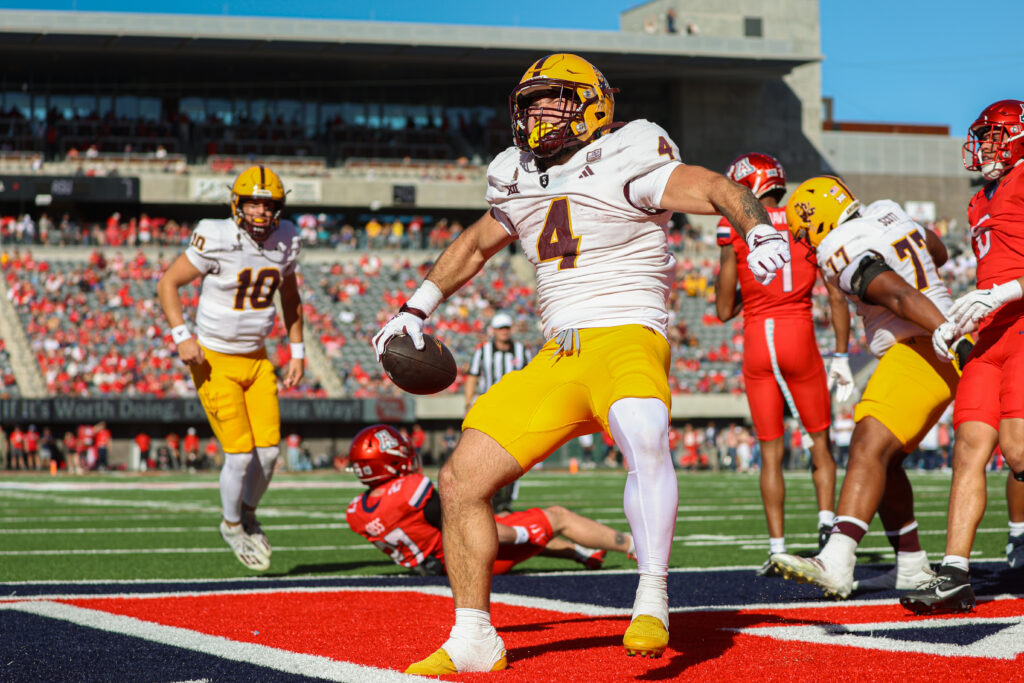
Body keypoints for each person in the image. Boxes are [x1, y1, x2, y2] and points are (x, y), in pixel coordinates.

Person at [371, 53, 790, 673]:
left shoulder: (628, 153)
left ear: (591, 104)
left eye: (551, 100)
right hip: (557, 353)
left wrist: (757, 229)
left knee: (645, 435)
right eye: (529, 102)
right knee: (462, 481)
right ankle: (473, 636)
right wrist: (416, 307)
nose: (536, 112)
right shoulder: (516, 175)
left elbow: (714, 187)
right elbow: (477, 242)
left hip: (626, 335)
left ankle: (651, 594)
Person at [769, 175, 968, 598]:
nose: (806, 242)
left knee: (866, 444)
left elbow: (895, 295)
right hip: (928, 340)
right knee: (886, 460)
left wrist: (950, 334)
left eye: (805, 231)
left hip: (923, 343)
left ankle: (837, 559)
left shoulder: (839, 246)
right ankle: (912, 565)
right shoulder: (886, 212)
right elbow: (937, 250)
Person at [902, 99, 1024, 614]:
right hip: (989, 339)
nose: (983, 148)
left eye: (992, 136)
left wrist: (1002, 295)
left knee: (1018, 451)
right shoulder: (980, 202)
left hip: (1020, 329)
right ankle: (955, 573)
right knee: (968, 449)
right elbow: (986, 276)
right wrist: (957, 320)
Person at [157, 164, 304, 573]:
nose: (259, 211)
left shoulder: (288, 238)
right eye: (252, 202)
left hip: (257, 358)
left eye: (267, 203)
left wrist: (298, 351)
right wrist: (181, 336)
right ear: (236, 204)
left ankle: (248, 510)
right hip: (213, 359)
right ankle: (232, 524)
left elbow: (290, 298)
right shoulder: (215, 234)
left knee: (271, 454)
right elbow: (168, 282)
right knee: (239, 458)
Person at [714, 153, 845, 572]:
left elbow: (721, 308)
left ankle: (776, 547)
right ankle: (827, 527)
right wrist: (842, 351)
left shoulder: (739, 227)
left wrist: (739, 271)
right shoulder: (806, 217)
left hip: (758, 337)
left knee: (771, 453)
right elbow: (836, 293)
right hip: (799, 334)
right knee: (820, 443)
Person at [345, 425, 633, 578]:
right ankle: (634, 545)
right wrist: (518, 532)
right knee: (557, 517)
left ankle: (580, 552)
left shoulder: (356, 512)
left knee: (515, 528)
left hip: (438, 565)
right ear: (389, 462)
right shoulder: (409, 490)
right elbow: (463, 527)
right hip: (473, 561)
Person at [464, 311, 532, 513]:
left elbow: (530, 377)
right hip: (490, 409)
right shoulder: (482, 352)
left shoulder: (521, 351)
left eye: (506, 328)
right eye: (500, 328)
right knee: (486, 454)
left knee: (514, 455)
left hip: (515, 409)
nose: (504, 332)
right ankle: (489, 496)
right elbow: (473, 377)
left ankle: (506, 500)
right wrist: (468, 404)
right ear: (493, 331)